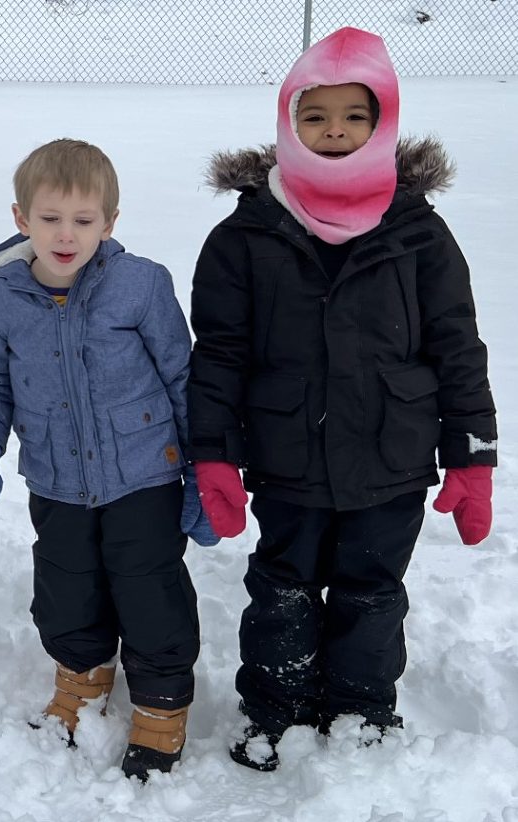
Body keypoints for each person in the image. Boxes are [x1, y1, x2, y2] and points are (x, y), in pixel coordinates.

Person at [189, 27, 497, 772]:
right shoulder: (246, 235)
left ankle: (361, 709)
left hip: (389, 457)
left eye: (354, 116)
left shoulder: (419, 233)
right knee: (282, 589)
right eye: (315, 115)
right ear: (288, 122)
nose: (334, 131)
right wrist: (213, 454)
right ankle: (276, 706)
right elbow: (219, 354)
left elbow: (457, 344)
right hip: (286, 455)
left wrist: (472, 454)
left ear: (383, 122)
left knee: (371, 591)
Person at [0, 139, 215, 780]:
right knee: (67, 587)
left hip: (145, 474)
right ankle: (83, 679)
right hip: (56, 477)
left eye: (83, 220)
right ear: (21, 219)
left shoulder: (141, 284)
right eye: (50, 219)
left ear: (109, 222)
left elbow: (184, 379)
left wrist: (205, 475)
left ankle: (160, 705)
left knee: (149, 589)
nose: (66, 235)